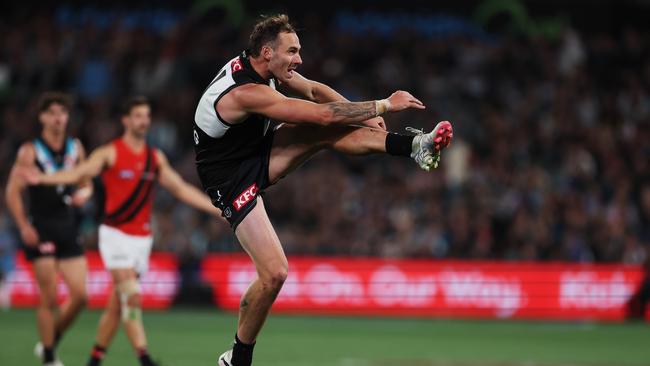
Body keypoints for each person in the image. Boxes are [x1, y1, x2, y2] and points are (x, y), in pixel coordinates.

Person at [193, 14, 454, 366]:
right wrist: (383, 105)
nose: (299, 59)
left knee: (327, 131)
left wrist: (360, 114)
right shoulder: (245, 92)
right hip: (228, 178)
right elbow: (322, 114)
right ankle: (237, 359)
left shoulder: (264, 68)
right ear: (268, 52)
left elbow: (316, 92)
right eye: (293, 51)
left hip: (254, 150)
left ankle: (416, 145)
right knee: (274, 274)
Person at [24, 96, 223, 366]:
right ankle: (145, 358)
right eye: (138, 116)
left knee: (117, 306)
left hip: (142, 239)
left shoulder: (155, 158)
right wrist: (44, 178)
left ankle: (93, 359)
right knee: (131, 294)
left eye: (147, 116)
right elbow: (79, 173)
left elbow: (180, 188)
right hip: (114, 235)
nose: (144, 121)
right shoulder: (110, 152)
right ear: (126, 120)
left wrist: (216, 209)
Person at [5, 92, 91, 366]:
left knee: (80, 296)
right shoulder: (30, 151)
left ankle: (49, 340)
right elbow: (12, 192)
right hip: (40, 226)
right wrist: (22, 226)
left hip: (67, 225)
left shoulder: (75, 148)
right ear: (42, 117)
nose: (58, 118)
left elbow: (86, 182)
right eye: (52, 112)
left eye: (63, 113)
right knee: (49, 295)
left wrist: (85, 194)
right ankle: (50, 358)